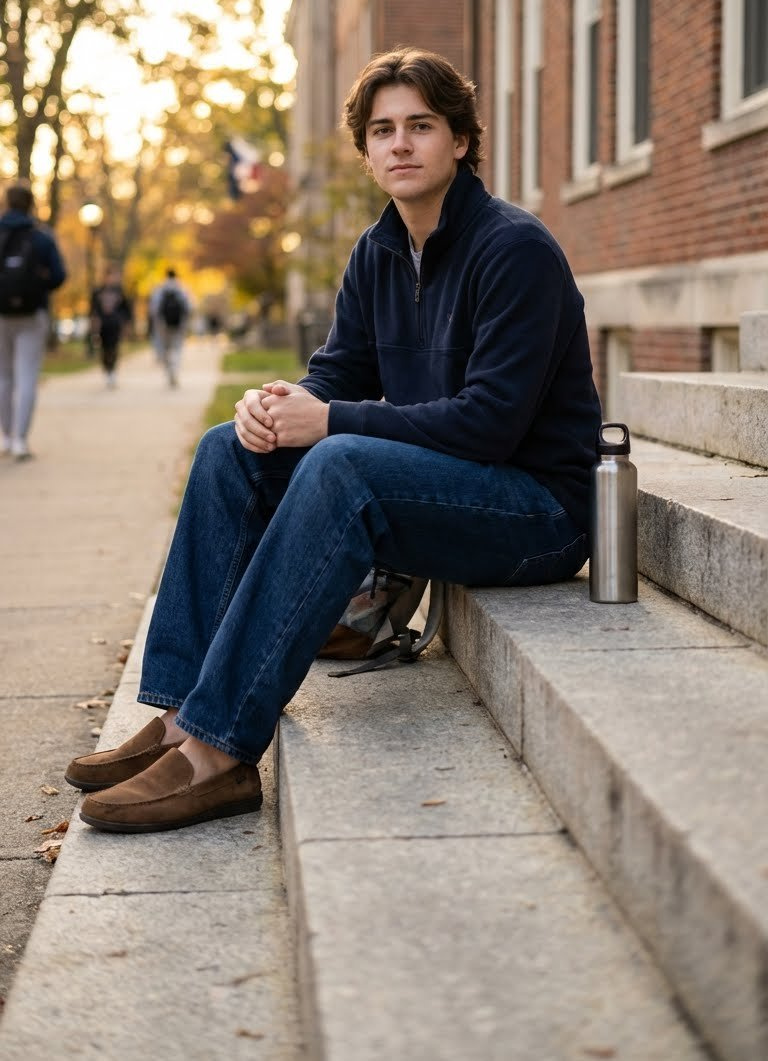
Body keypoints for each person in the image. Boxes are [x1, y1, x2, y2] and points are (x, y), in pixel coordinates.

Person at [65, 47, 602, 834]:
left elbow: (490, 424)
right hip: (445, 486)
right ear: (365, 152)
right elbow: (335, 374)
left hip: (537, 511)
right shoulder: (377, 253)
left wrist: (333, 420)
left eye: (422, 124)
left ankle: (219, 753)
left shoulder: (513, 249)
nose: (401, 144)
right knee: (227, 447)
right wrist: (276, 404)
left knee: (343, 462)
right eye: (383, 130)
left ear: (460, 139)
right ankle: (182, 715)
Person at [0, 179, 67, 460]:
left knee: (3, 377)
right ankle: (20, 440)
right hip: (33, 314)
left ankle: (4, 436)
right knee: (27, 377)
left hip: (0, 314)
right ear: (31, 203)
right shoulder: (41, 236)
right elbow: (59, 275)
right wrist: (40, 287)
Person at [89, 263, 133, 389]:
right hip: (103, 325)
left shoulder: (120, 291)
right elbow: (93, 310)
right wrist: (94, 323)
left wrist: (126, 324)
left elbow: (126, 310)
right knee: (104, 349)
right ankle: (107, 370)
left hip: (115, 324)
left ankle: (112, 372)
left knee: (114, 348)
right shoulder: (98, 292)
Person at [148, 268, 192, 386]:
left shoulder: (160, 289)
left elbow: (154, 310)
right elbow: (189, 308)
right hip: (179, 325)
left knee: (165, 350)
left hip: (163, 325)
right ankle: (175, 370)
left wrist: (157, 325)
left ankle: (169, 372)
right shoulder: (182, 289)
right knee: (177, 349)